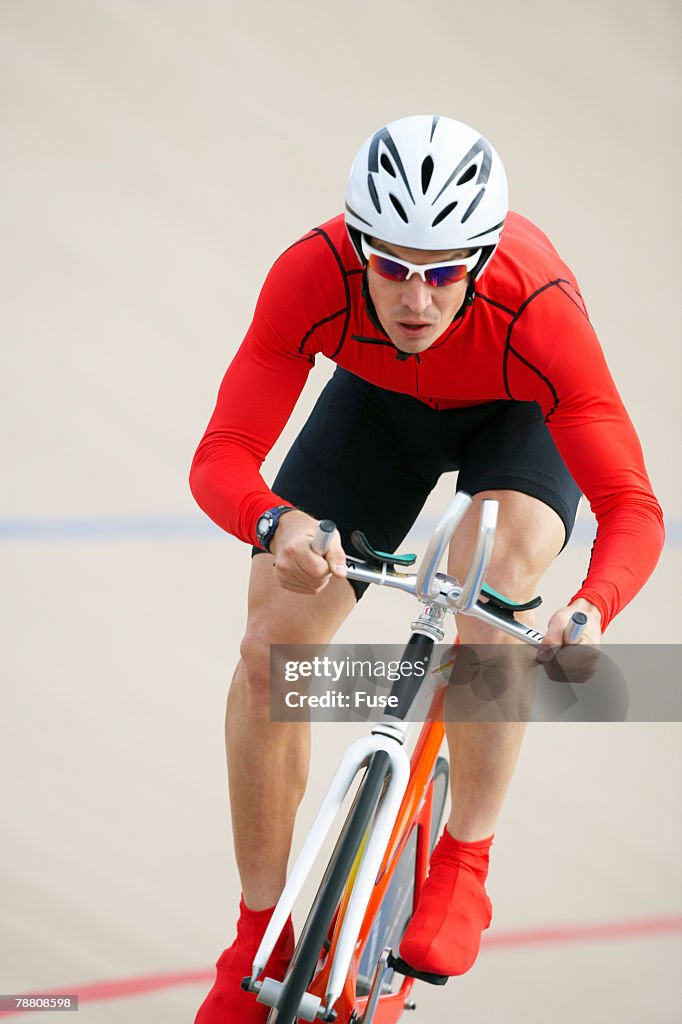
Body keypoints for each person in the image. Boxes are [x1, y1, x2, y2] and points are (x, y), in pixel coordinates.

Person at [189, 114, 664, 1022]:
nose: (416, 299)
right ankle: (258, 937)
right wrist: (278, 522)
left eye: (444, 272)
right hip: (377, 411)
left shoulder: (541, 311)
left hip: (512, 418)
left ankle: (464, 862)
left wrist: (594, 605)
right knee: (268, 649)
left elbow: (633, 508)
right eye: (393, 267)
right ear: (358, 247)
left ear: (481, 260)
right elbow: (221, 454)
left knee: (492, 578)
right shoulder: (311, 274)